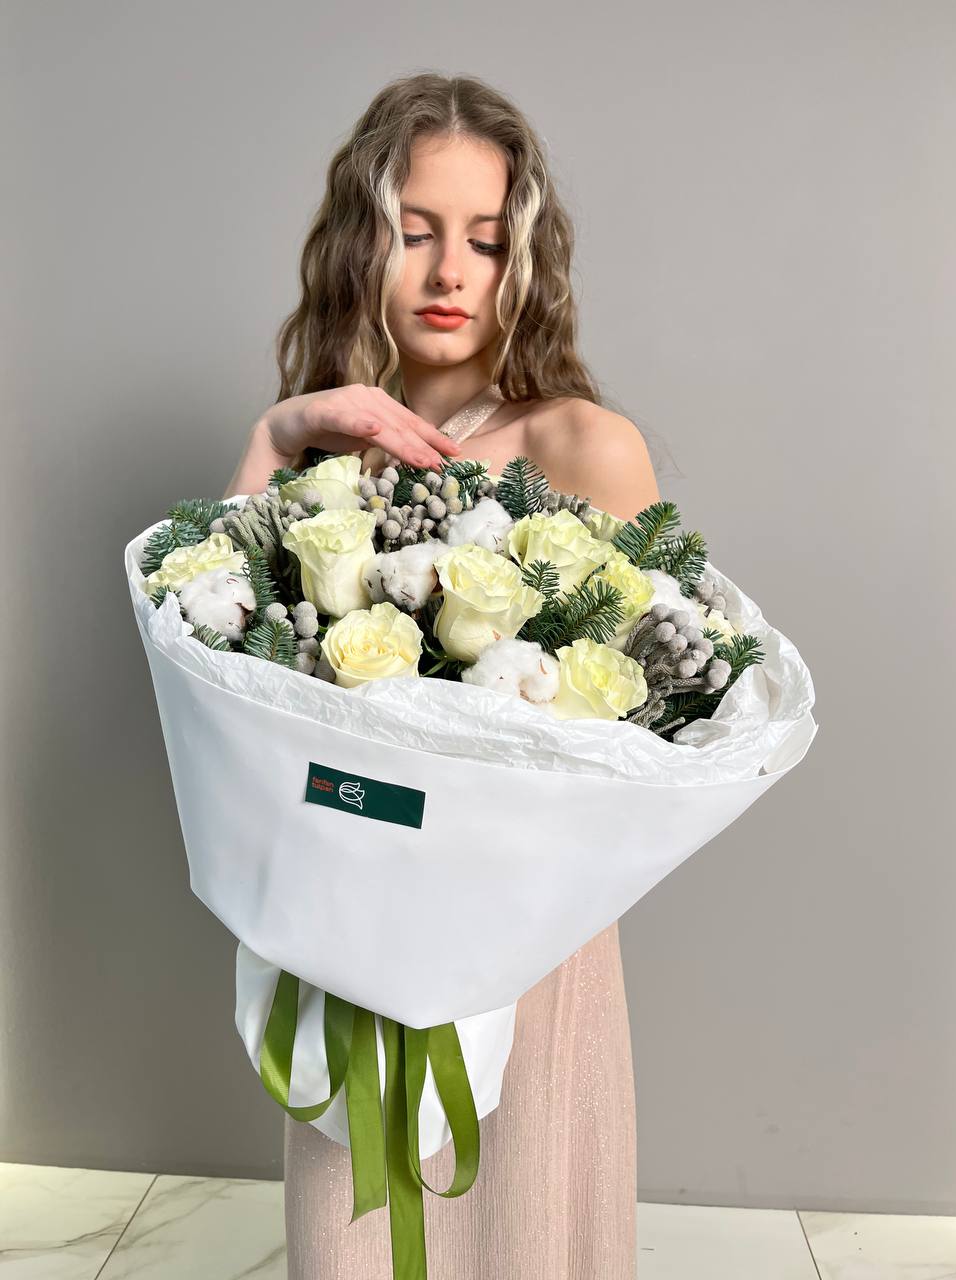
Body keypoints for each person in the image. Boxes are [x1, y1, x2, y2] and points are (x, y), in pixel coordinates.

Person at [224, 70, 661, 1280]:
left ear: (525, 259)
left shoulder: (582, 442)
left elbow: (650, 720)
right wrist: (275, 435)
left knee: (525, 1233)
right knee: (354, 1235)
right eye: (414, 232)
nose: (449, 271)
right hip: (356, 925)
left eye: (485, 239)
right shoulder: (325, 454)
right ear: (361, 247)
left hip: (533, 938)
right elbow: (219, 661)